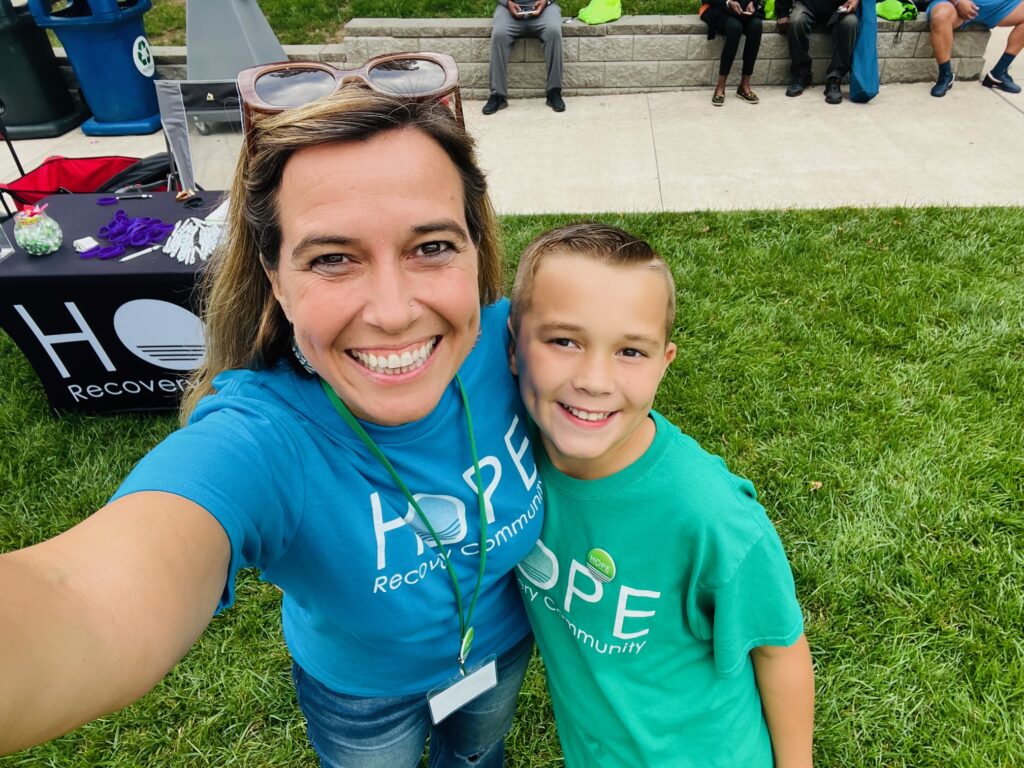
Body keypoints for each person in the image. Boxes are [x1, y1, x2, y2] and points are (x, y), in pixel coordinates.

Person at [0, 61, 544, 768]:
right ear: (276, 281)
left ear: (475, 249)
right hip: (362, 698)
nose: (392, 311)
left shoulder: (519, 349)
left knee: (477, 757)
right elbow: (79, 596)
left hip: (499, 650)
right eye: (332, 259)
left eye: (432, 247)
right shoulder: (260, 439)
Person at [507, 223, 815, 767]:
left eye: (630, 351)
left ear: (664, 362)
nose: (595, 379)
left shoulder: (711, 516)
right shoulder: (510, 453)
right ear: (512, 346)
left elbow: (779, 648)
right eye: (564, 341)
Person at [484, 0, 566, 114]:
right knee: (499, 35)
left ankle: (554, 91)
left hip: (545, 8)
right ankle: (497, 94)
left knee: (553, 32)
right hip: (508, 8)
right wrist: (507, 3)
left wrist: (545, 1)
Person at [927, 0, 1024, 96]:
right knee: (940, 16)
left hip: (995, 5)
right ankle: (945, 76)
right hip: (953, 5)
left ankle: (999, 73)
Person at [776, 0, 860, 103]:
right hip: (806, 4)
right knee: (796, 21)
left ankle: (835, 77)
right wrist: (783, 12)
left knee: (850, 22)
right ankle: (801, 73)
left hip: (839, 7)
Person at [700, 0, 765, 105]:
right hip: (716, 7)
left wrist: (751, 2)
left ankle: (744, 86)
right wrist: (728, 2)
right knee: (735, 28)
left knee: (756, 26)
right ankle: (721, 85)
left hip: (742, 8)